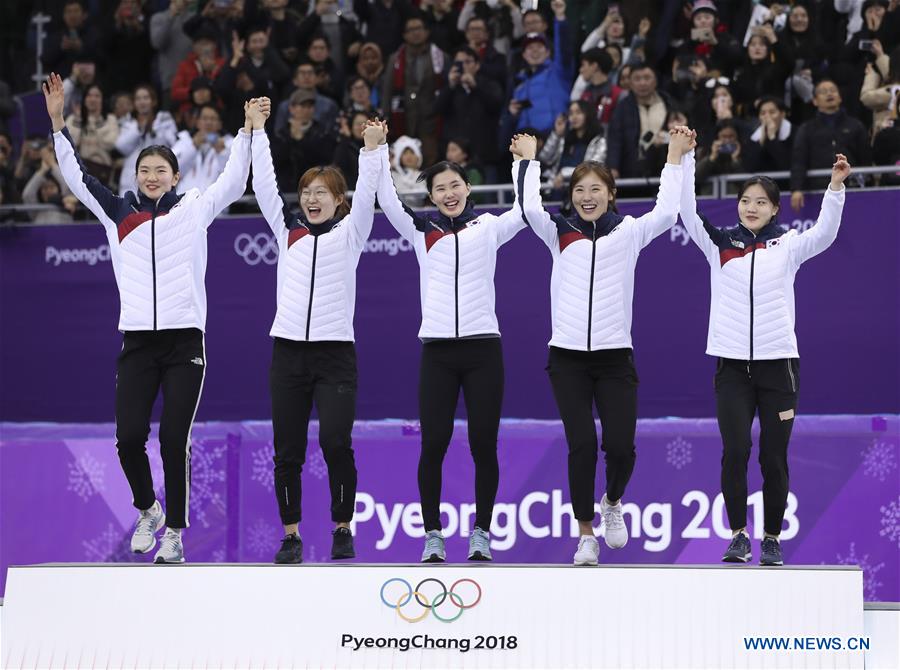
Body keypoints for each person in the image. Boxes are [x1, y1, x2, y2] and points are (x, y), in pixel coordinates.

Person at [43, 72, 256, 564]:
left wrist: (246, 133)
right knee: (128, 438)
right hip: (137, 342)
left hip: (184, 343)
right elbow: (75, 175)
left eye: (162, 170)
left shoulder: (195, 209)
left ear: (177, 177)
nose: (153, 176)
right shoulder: (118, 212)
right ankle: (148, 510)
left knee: (172, 438)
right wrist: (57, 125)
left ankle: (175, 533)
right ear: (135, 177)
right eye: (145, 170)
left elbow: (233, 180)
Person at [513, 127, 694, 566]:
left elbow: (668, 211)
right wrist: (527, 160)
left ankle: (612, 501)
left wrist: (674, 156)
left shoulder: (628, 232)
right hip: (567, 359)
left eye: (596, 189)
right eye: (579, 190)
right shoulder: (559, 232)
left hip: (615, 357)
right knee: (580, 445)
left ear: (611, 194)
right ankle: (585, 535)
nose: (587, 197)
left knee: (620, 446)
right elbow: (527, 205)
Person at [679, 142, 850, 566]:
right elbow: (686, 211)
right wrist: (685, 159)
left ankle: (771, 538)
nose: (751, 207)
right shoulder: (718, 244)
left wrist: (835, 188)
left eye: (760, 202)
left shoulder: (788, 245)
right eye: (745, 201)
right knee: (735, 450)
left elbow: (825, 234)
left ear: (775, 209)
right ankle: (739, 535)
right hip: (732, 368)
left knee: (774, 456)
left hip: (779, 368)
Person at [375, 121, 529, 563]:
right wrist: (376, 151)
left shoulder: (489, 227)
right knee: (434, 444)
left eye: (455, 184)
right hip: (438, 354)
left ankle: (481, 532)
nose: (448, 193)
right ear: (431, 197)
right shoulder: (424, 232)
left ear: (468, 187)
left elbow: (525, 209)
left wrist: (525, 163)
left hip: (484, 352)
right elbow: (387, 200)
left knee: (484, 443)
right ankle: (433, 536)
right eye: (440, 188)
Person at [250, 98, 387, 564]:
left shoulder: (351, 233)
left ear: (338, 201)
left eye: (321, 193)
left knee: (334, 442)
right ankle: (290, 536)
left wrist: (371, 150)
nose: (311, 198)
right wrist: (257, 131)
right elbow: (265, 185)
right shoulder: (286, 232)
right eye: (307, 191)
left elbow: (368, 193)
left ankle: (342, 526)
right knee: (286, 451)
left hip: (334, 356)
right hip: (287, 354)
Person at [114, 84, 178, 196]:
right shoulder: (129, 123)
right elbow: (121, 146)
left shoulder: (164, 119)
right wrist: (139, 129)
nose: (142, 102)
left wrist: (156, 129)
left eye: (146, 98)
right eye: (138, 99)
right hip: (131, 179)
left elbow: (173, 144)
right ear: (134, 103)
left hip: (158, 177)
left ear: (153, 101)